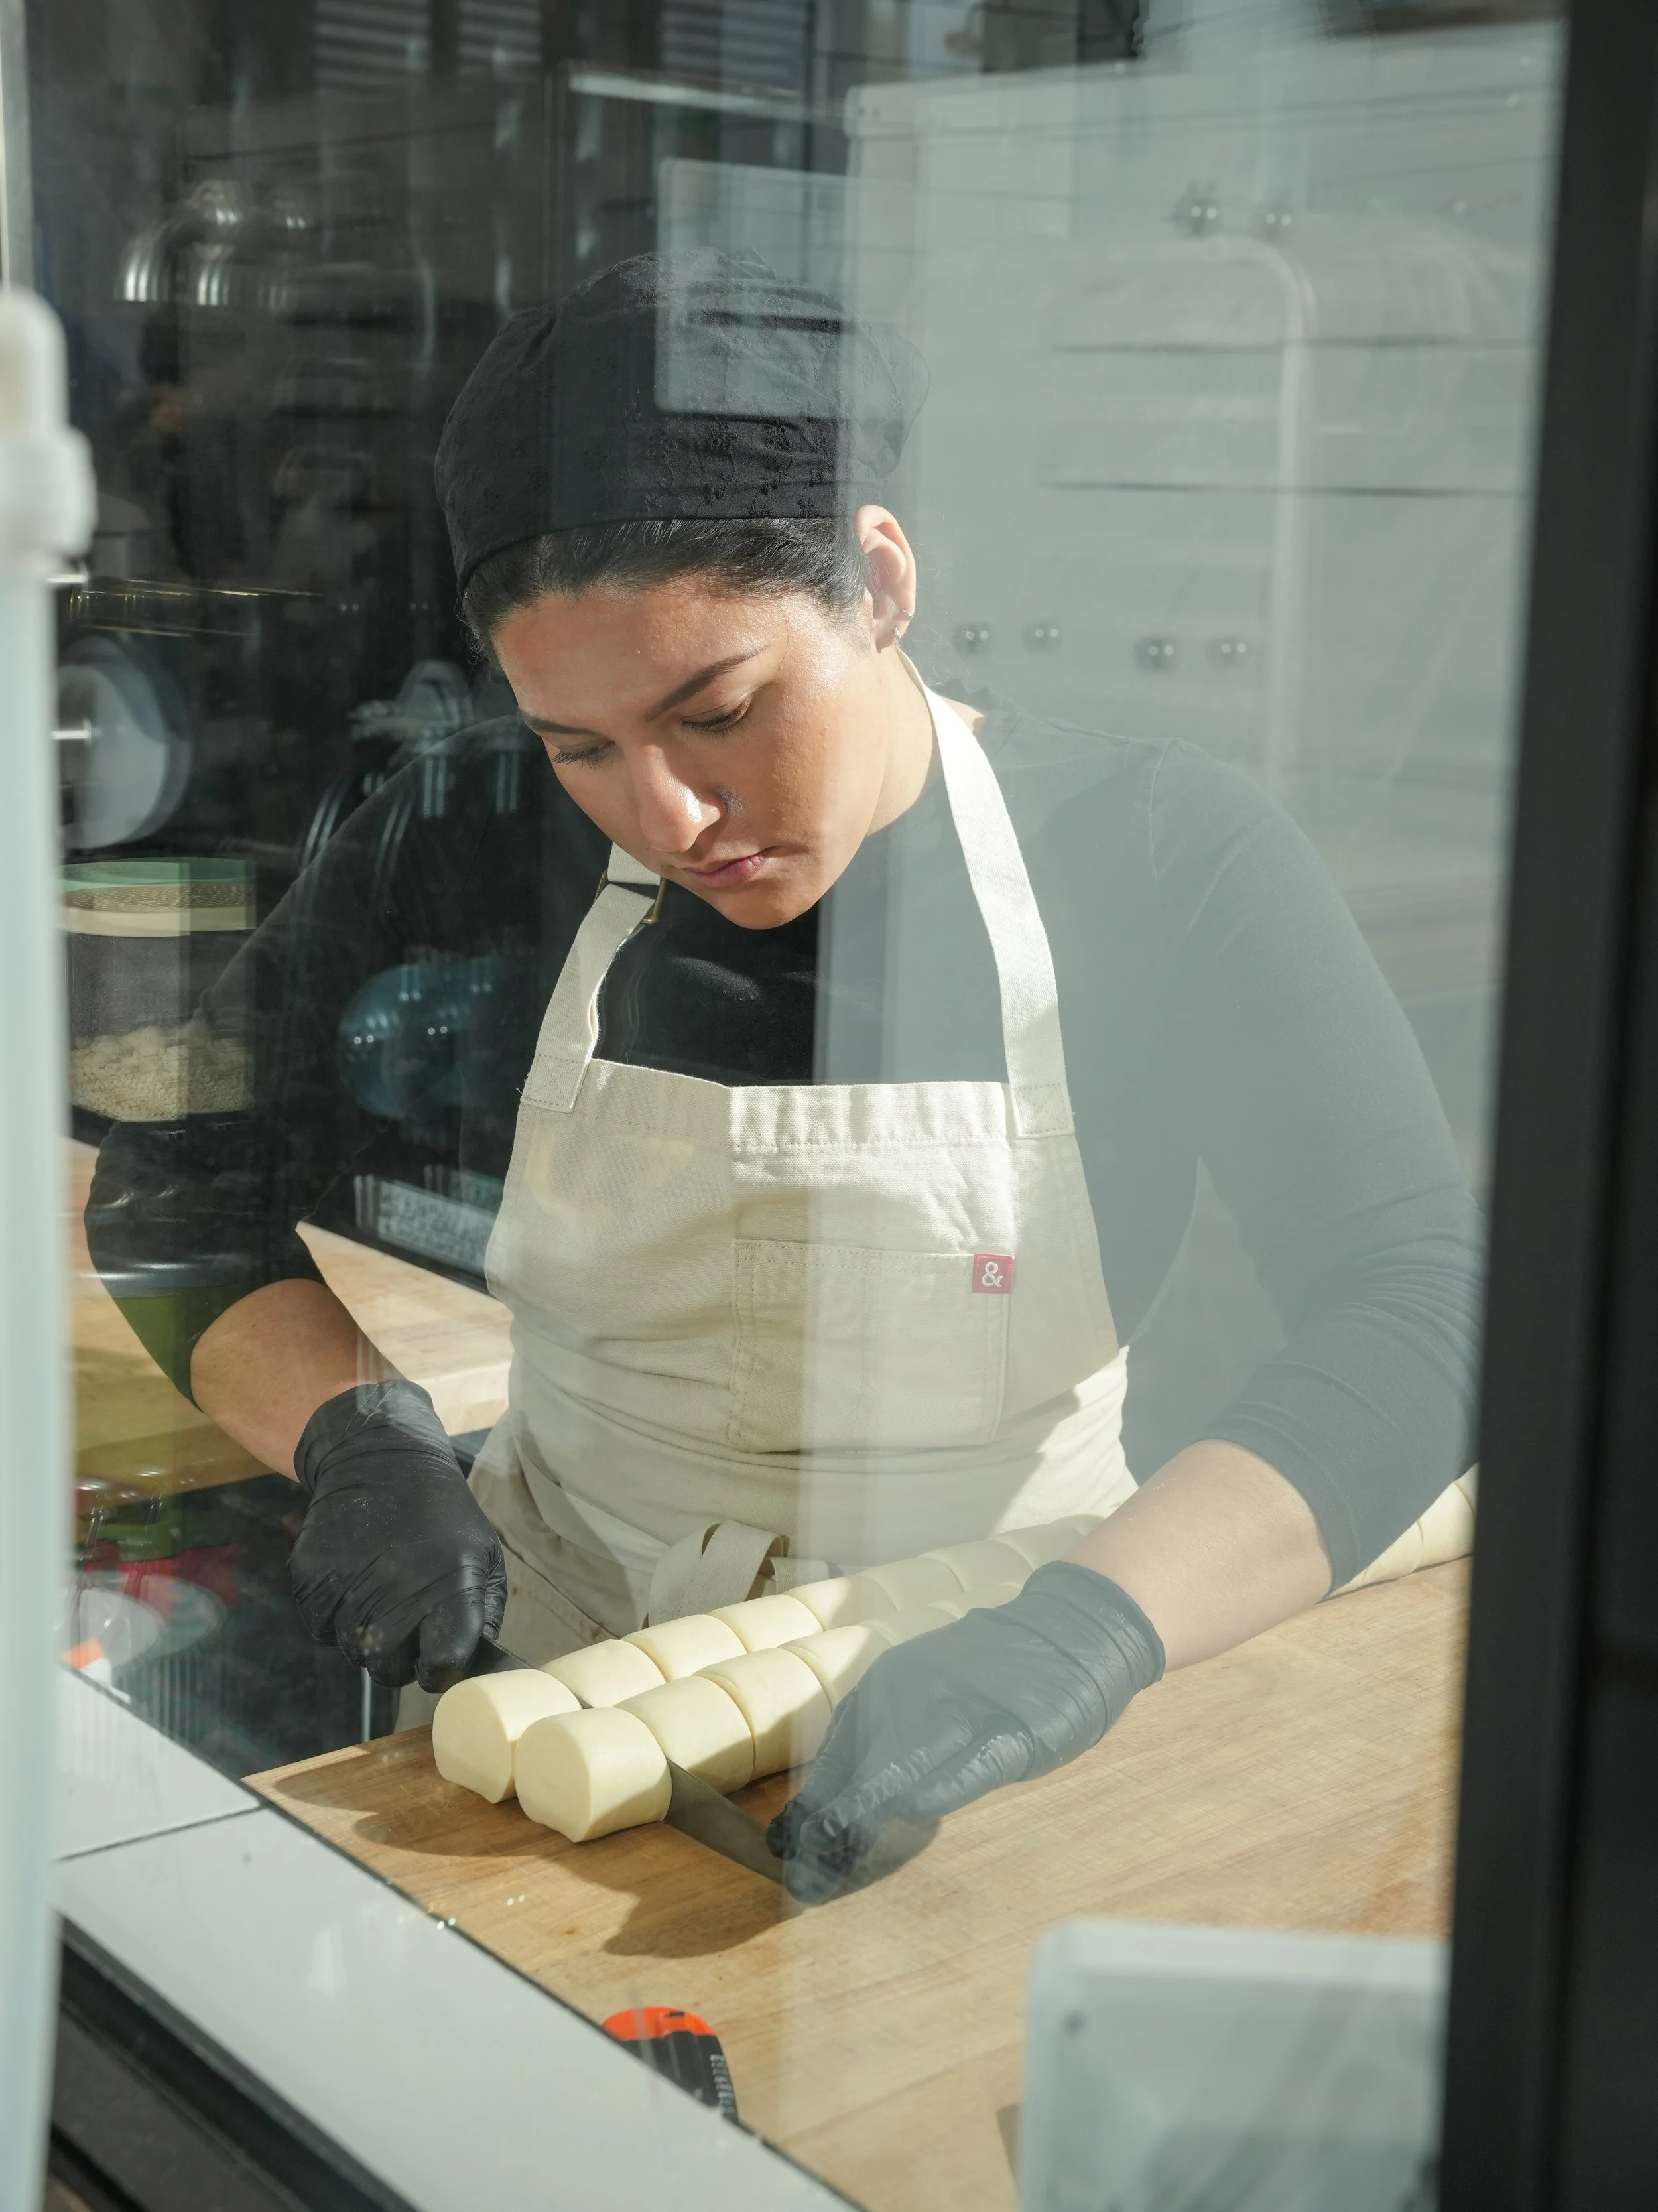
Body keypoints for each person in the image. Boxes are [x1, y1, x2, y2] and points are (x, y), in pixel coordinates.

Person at [88, 251, 1481, 1900]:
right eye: (580, 746)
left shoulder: (1163, 853)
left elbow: (1418, 1307)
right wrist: (358, 1443)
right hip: (534, 1691)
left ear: (878, 583)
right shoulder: (461, 833)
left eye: (722, 709)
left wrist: (1086, 1639)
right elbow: (181, 1180)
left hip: (1002, 1688)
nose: (668, 819)